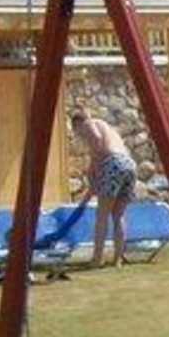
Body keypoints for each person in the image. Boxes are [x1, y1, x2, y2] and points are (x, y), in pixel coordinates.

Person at [69, 111, 138, 266]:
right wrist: (94, 175)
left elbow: (97, 140)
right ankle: (117, 259)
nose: (79, 135)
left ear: (77, 124)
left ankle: (97, 258)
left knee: (102, 215)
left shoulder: (89, 123)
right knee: (118, 215)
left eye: (76, 131)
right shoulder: (108, 128)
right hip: (129, 165)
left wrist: (94, 168)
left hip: (113, 163)